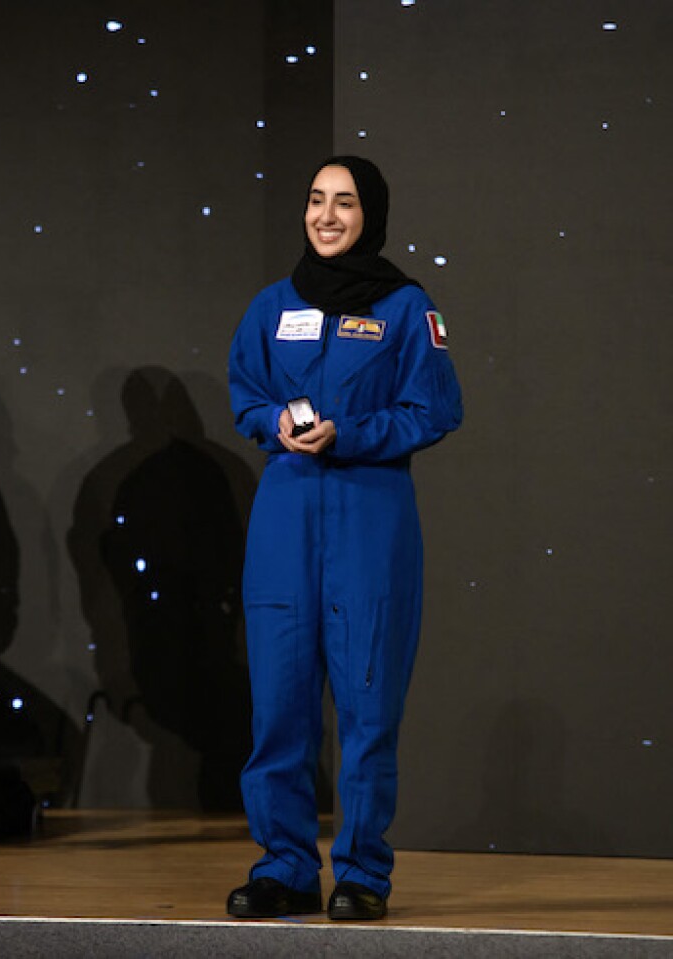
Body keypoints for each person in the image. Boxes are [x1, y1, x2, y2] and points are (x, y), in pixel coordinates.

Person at [225, 156, 462, 921]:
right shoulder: (271, 305)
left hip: (370, 517)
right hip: (285, 519)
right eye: (317, 201)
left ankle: (361, 872)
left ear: (373, 215)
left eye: (346, 203)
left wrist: (350, 432)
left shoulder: (405, 306)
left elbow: (436, 408)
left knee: (366, 706)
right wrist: (276, 424)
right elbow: (246, 394)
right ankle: (286, 866)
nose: (328, 216)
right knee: (279, 708)